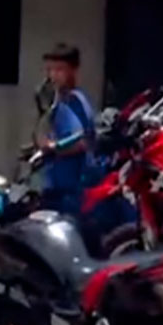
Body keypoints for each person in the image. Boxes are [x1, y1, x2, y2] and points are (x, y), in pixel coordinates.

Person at [37, 43, 96, 216]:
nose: (53, 76)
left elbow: (82, 142)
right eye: (50, 70)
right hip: (57, 185)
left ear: (73, 71)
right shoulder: (58, 101)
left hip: (70, 188)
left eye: (59, 70)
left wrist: (52, 147)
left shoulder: (74, 101)